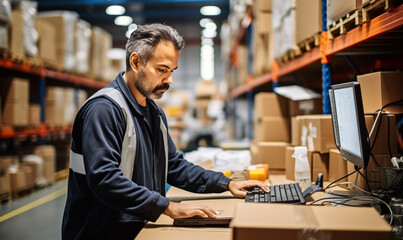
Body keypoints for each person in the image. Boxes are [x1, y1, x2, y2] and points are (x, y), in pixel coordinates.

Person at [62, 23, 268, 240]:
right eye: (162, 70)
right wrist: (168, 207)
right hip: (101, 233)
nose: (169, 80)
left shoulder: (154, 113)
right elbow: (105, 179)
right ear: (135, 62)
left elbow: (174, 166)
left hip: (137, 228)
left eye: (172, 71)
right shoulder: (104, 110)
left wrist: (226, 183)